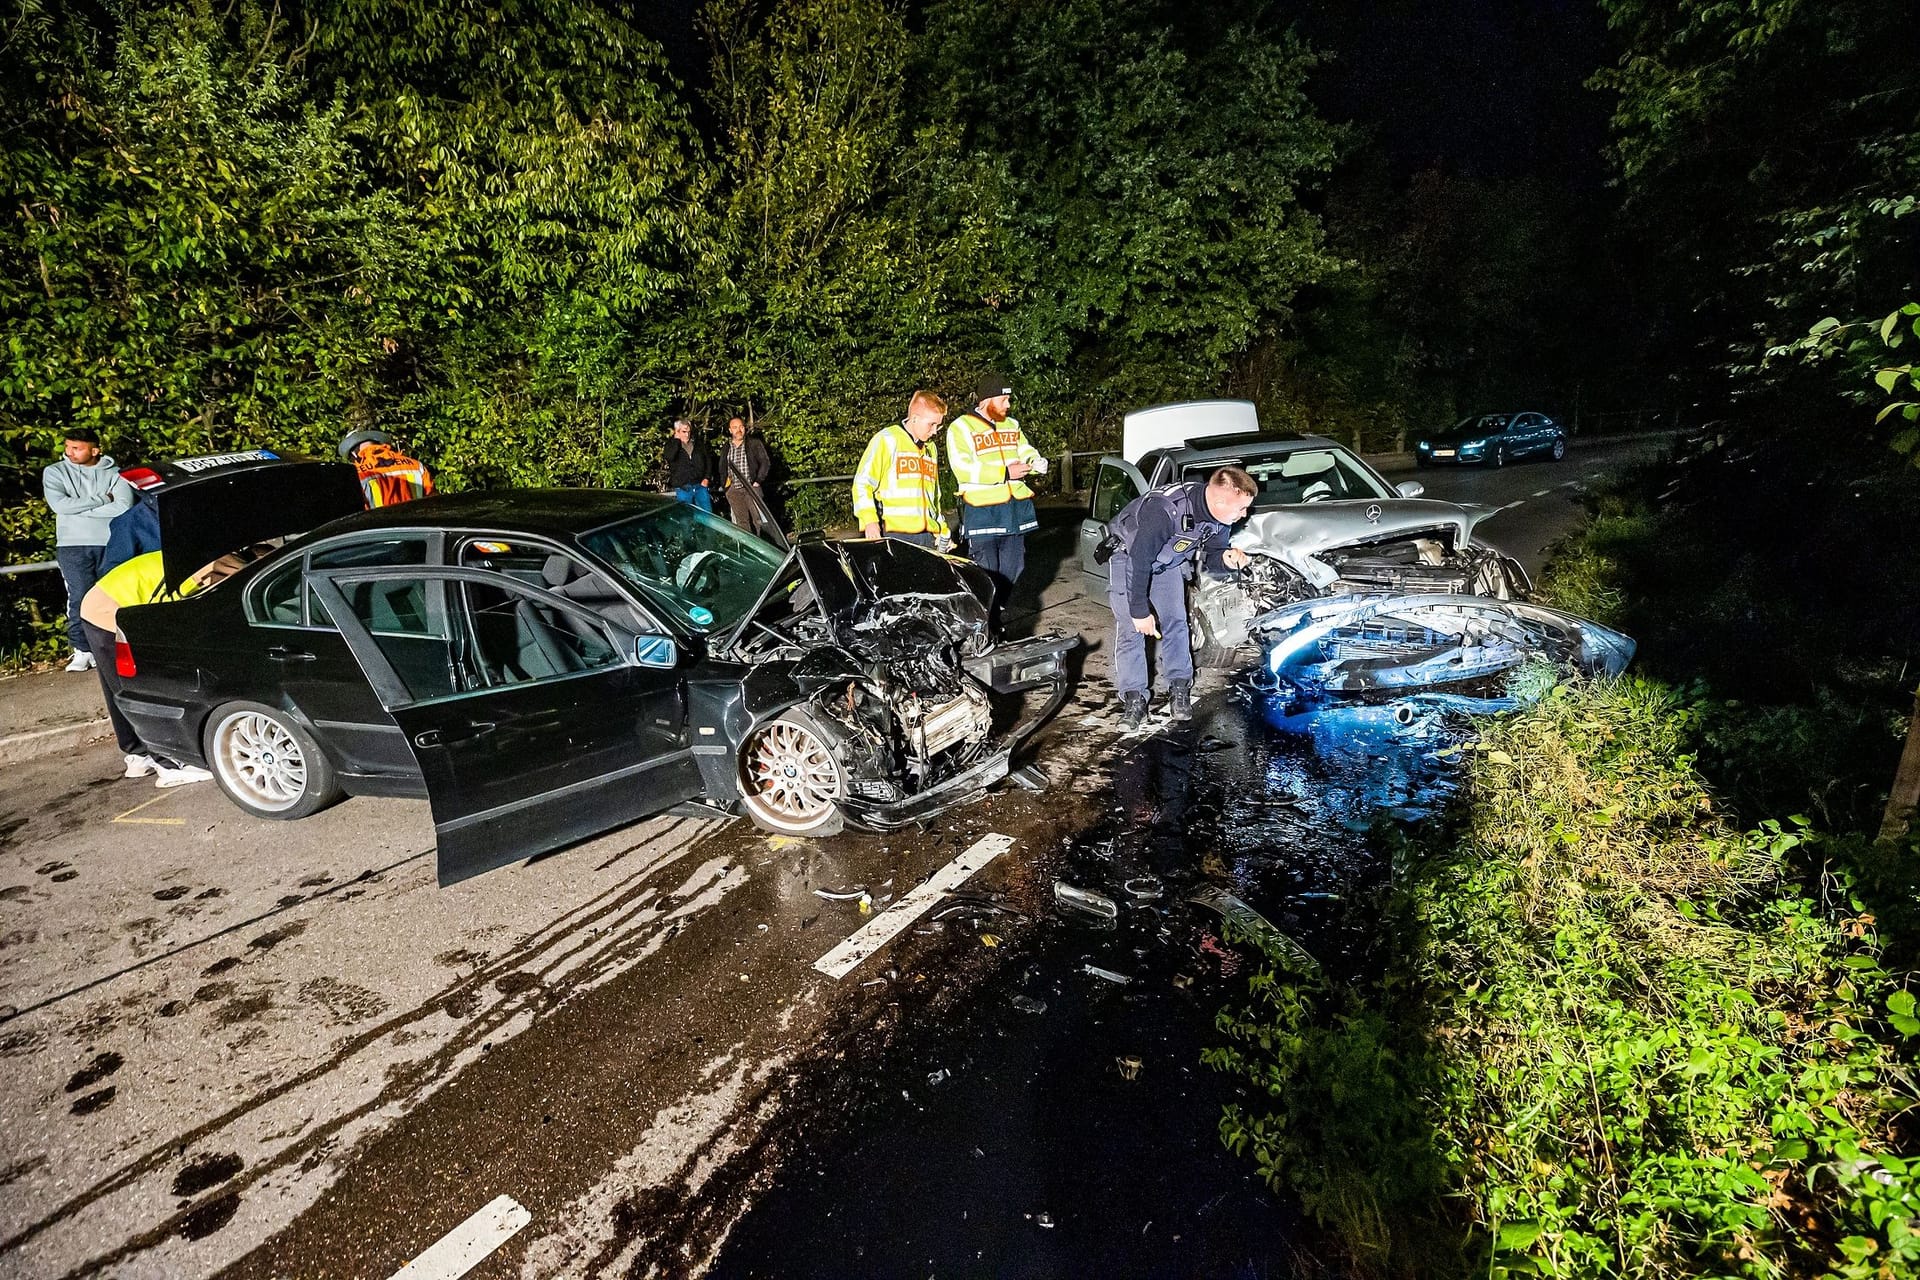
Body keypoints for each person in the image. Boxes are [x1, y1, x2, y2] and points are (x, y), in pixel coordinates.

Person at [79, 547, 263, 786]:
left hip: (103, 601)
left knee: (117, 687)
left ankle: (137, 755)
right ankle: (168, 765)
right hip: (110, 610)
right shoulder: (209, 575)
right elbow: (176, 617)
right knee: (137, 686)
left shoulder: (206, 561)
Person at [1101, 466, 1257, 728]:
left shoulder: (1219, 518)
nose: (1244, 515)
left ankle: (1179, 688)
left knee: (1176, 622)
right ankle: (1134, 700)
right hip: (1129, 558)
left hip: (1168, 563)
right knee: (1132, 629)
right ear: (1220, 501)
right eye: (1241, 509)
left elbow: (1214, 554)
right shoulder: (1164, 510)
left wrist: (1227, 560)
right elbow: (1139, 561)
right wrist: (1140, 610)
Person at [42, 428, 134, 672]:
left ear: (95, 450)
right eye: (67, 446)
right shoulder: (54, 472)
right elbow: (60, 505)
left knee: (113, 595)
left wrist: (79, 509)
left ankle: (113, 648)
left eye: (77, 448)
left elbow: (123, 507)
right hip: (72, 544)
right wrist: (103, 499)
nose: (69, 452)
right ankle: (82, 650)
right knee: (80, 595)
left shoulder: (116, 474)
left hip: (110, 542)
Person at [947, 373, 1046, 590]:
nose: (1008, 405)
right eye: (1003, 400)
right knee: (984, 574)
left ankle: (996, 612)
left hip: (1015, 511)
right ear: (986, 400)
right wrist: (1004, 473)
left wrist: (1034, 460)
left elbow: (1024, 448)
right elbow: (963, 468)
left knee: (1014, 569)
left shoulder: (1011, 424)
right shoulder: (961, 427)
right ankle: (989, 619)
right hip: (983, 513)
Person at [852, 391, 952, 549]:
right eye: (931, 424)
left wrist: (941, 529)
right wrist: (870, 521)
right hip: (895, 536)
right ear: (915, 418)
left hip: (927, 538)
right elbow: (862, 483)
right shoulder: (887, 440)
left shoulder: (930, 448)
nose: (935, 431)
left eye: (938, 425)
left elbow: (933, 497)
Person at [339, 429, 434, 508]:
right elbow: (433, 500)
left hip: (380, 528)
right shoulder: (416, 465)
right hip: (415, 526)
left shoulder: (357, 474)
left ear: (353, 454)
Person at [721, 416, 773, 529]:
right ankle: (747, 545)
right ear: (730, 430)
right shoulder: (726, 447)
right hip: (734, 490)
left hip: (751, 487)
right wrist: (726, 487)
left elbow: (765, 462)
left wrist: (758, 481)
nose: (738, 430)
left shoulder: (754, 443)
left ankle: (763, 545)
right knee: (741, 523)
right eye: (735, 427)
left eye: (741, 427)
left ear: (744, 428)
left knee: (760, 521)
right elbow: (722, 467)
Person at [664, 419, 715, 512]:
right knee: (685, 517)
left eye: (688, 431)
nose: (687, 434)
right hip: (683, 488)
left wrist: (707, 477)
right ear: (677, 431)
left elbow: (708, 461)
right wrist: (676, 441)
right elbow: (669, 457)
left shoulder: (698, 444)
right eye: (684, 431)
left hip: (700, 486)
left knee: (707, 515)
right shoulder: (671, 445)